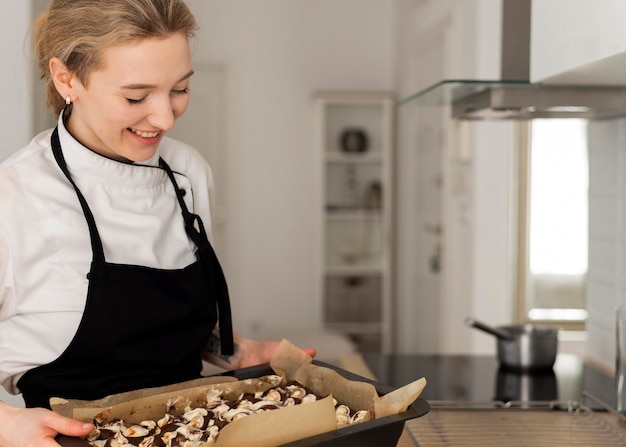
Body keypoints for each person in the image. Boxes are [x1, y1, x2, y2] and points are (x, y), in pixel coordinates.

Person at [0, 1, 314, 445]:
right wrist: (6, 424)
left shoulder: (189, 172)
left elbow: (157, 323)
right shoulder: (13, 199)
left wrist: (235, 350)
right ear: (66, 78)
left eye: (180, 89)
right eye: (135, 97)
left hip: (199, 432)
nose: (165, 118)